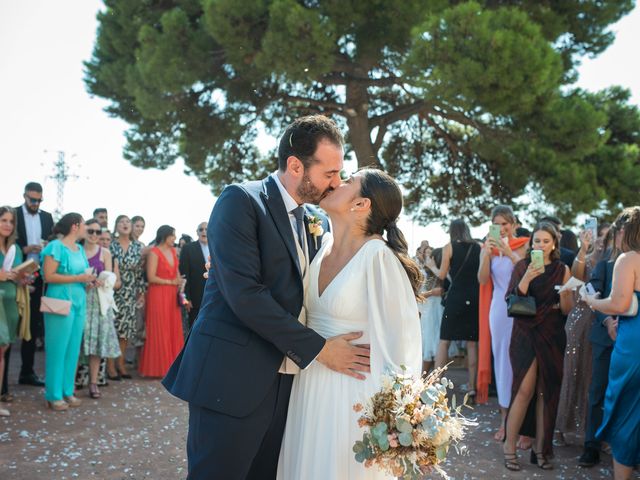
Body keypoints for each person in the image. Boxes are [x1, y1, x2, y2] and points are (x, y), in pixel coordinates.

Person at [163, 115, 370, 480]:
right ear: (295, 165)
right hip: (232, 380)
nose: (336, 182)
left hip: (285, 386)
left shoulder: (312, 221)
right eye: (330, 173)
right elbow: (246, 295)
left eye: (340, 173)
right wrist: (321, 349)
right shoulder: (241, 201)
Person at [277, 168, 422, 480]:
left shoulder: (377, 257)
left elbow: (402, 342)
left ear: (361, 204)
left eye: (348, 181)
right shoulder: (321, 247)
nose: (336, 181)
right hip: (309, 385)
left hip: (353, 396)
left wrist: (397, 421)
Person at [502, 222, 574, 471]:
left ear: (554, 243)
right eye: (537, 241)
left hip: (552, 335)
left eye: (545, 241)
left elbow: (566, 309)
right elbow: (511, 301)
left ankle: (540, 450)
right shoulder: (522, 266)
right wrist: (527, 278)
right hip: (525, 335)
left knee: (547, 393)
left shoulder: (563, 269)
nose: (540, 246)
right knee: (524, 390)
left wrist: (566, 295)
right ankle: (509, 447)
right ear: (531, 243)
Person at [582, 206, 640, 480]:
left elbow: (618, 302)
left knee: (624, 411)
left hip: (633, 342)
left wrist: (592, 301)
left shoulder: (628, 259)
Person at [477, 205, 529, 440]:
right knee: (502, 362)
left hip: (523, 310)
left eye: (505, 224)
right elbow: (482, 279)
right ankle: (504, 419)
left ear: (514, 224)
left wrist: (508, 250)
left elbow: (526, 270)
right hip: (499, 310)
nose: (501, 228)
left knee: (522, 361)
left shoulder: (525, 244)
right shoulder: (486, 248)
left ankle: (524, 423)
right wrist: (486, 255)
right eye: (496, 224)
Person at [41, 213, 96, 411]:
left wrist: (88, 280)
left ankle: (67, 391)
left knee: (73, 349)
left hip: (79, 299)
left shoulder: (80, 248)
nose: (86, 229)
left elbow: (81, 274)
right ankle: (53, 395)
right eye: (83, 225)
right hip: (59, 300)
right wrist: (79, 278)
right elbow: (48, 276)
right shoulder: (55, 247)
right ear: (75, 226)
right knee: (57, 349)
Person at [578, 223, 619, 467]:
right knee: (597, 393)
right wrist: (607, 321)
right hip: (604, 338)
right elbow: (594, 292)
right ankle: (591, 446)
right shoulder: (605, 262)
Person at [430, 218, 481, 400]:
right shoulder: (479, 247)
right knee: (472, 343)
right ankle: (472, 387)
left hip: (456, 298)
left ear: (452, 231)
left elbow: (442, 275)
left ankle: (435, 383)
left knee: (444, 341)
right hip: (475, 299)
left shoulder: (449, 247)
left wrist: (431, 266)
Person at [13, 182, 53, 387]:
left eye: (39, 200)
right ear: (24, 196)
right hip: (15, 273)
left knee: (33, 324)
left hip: (38, 276)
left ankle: (26, 372)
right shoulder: (13, 214)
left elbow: (53, 240)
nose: (35, 203)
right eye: (32, 200)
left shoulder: (47, 217)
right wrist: (25, 247)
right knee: (12, 323)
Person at [78, 219, 121, 399]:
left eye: (97, 232)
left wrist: (103, 281)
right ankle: (72, 380)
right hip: (81, 298)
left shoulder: (105, 252)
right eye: (91, 231)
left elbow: (110, 279)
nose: (94, 235)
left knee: (96, 345)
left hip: (99, 302)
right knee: (78, 342)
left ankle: (93, 382)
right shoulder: (77, 250)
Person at [139, 225, 184, 377]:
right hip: (157, 294)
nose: (175, 239)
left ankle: (173, 366)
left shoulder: (173, 251)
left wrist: (178, 283)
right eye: (173, 235)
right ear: (165, 236)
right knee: (159, 328)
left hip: (172, 296)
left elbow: (177, 273)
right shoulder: (154, 252)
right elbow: (151, 277)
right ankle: (158, 368)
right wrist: (171, 282)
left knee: (173, 328)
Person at [109, 215, 145, 380]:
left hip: (130, 293)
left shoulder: (138, 247)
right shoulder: (110, 246)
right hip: (112, 292)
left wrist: (141, 293)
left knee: (125, 332)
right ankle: (110, 367)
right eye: (121, 222)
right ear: (116, 226)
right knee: (112, 329)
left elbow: (140, 274)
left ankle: (121, 363)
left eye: (127, 222)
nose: (125, 224)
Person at [0, 206, 27, 416]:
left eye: (11, 221)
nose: (8, 224)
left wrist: (24, 278)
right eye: (4, 220)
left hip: (10, 304)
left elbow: (16, 275)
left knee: (3, 351)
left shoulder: (15, 249)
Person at [418, 246, 444, 373]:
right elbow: (417, 295)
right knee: (428, 344)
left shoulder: (441, 273)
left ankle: (437, 378)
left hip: (440, 310)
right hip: (428, 311)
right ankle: (423, 378)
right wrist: (431, 293)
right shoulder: (422, 273)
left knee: (438, 343)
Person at [178, 222, 209, 329]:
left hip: (214, 296)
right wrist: (186, 299)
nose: (204, 231)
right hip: (194, 299)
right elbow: (184, 275)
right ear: (197, 232)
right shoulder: (188, 248)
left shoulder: (217, 246)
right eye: (201, 229)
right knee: (194, 328)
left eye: (206, 229)